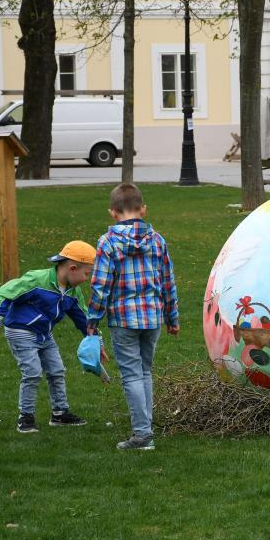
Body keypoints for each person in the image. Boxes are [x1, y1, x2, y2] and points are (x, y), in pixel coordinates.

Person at [87, 183, 180, 450]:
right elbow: (167, 282)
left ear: (112, 212)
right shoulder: (157, 240)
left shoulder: (107, 242)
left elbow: (101, 285)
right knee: (144, 371)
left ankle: (142, 434)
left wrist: (92, 321)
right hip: (153, 318)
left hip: (123, 319)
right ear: (143, 209)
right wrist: (172, 318)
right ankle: (145, 428)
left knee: (131, 375)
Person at [0, 241, 96, 433]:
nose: (87, 279)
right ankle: (26, 417)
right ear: (72, 268)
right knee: (32, 372)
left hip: (44, 334)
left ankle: (60, 414)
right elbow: (6, 293)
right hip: (20, 331)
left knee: (57, 371)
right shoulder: (37, 280)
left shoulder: (73, 292)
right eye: (87, 274)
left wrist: (95, 340)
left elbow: (83, 318)